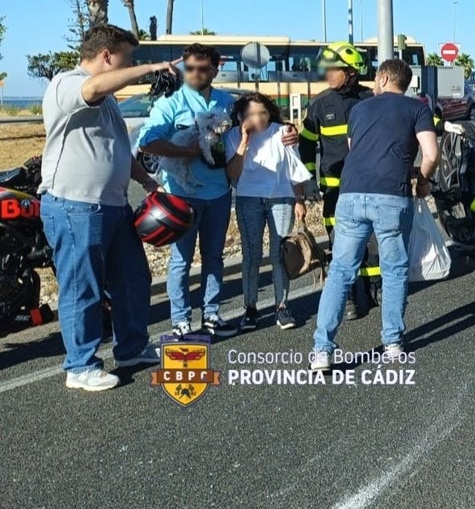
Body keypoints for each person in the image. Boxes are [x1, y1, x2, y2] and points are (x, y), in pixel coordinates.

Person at [39, 25, 173, 391]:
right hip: (74, 205)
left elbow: (117, 148)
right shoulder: (67, 84)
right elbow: (94, 88)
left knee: (133, 278)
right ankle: (80, 366)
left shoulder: (109, 101)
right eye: (127, 58)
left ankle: (130, 347)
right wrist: (150, 69)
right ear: (107, 56)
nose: (130, 64)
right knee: (83, 287)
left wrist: (144, 180)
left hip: (113, 206)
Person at [138, 43, 299, 337]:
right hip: (182, 197)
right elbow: (146, 142)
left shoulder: (227, 102)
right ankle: (180, 320)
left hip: (219, 194)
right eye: (189, 68)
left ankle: (211, 314)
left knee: (214, 258)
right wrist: (182, 152)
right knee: (181, 261)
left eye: (202, 68)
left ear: (215, 70)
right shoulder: (170, 103)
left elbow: (262, 120)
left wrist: (289, 129)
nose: (195, 73)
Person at [310, 59, 439, 370]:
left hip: (351, 193)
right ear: (406, 83)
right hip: (392, 195)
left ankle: (322, 350)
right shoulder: (418, 108)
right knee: (393, 270)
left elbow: (355, 147)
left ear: (383, 78)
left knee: (341, 271)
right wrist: (421, 181)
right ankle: (392, 342)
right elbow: (431, 153)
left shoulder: (360, 109)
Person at [298, 42, 377, 318]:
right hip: (335, 191)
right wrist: (308, 181)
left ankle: (374, 291)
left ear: (351, 72)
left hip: (370, 187)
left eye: (334, 70)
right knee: (341, 246)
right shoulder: (319, 104)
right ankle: (353, 297)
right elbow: (306, 146)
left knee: (372, 243)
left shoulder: (371, 99)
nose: (328, 75)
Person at [224, 92, 312, 331]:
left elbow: (295, 166)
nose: (258, 118)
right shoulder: (232, 136)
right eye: (251, 113)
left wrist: (299, 199)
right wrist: (243, 141)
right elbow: (233, 174)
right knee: (251, 256)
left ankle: (282, 307)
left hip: (281, 198)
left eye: (262, 112)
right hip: (247, 199)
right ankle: (250, 308)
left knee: (278, 255)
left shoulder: (283, 132)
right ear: (241, 116)